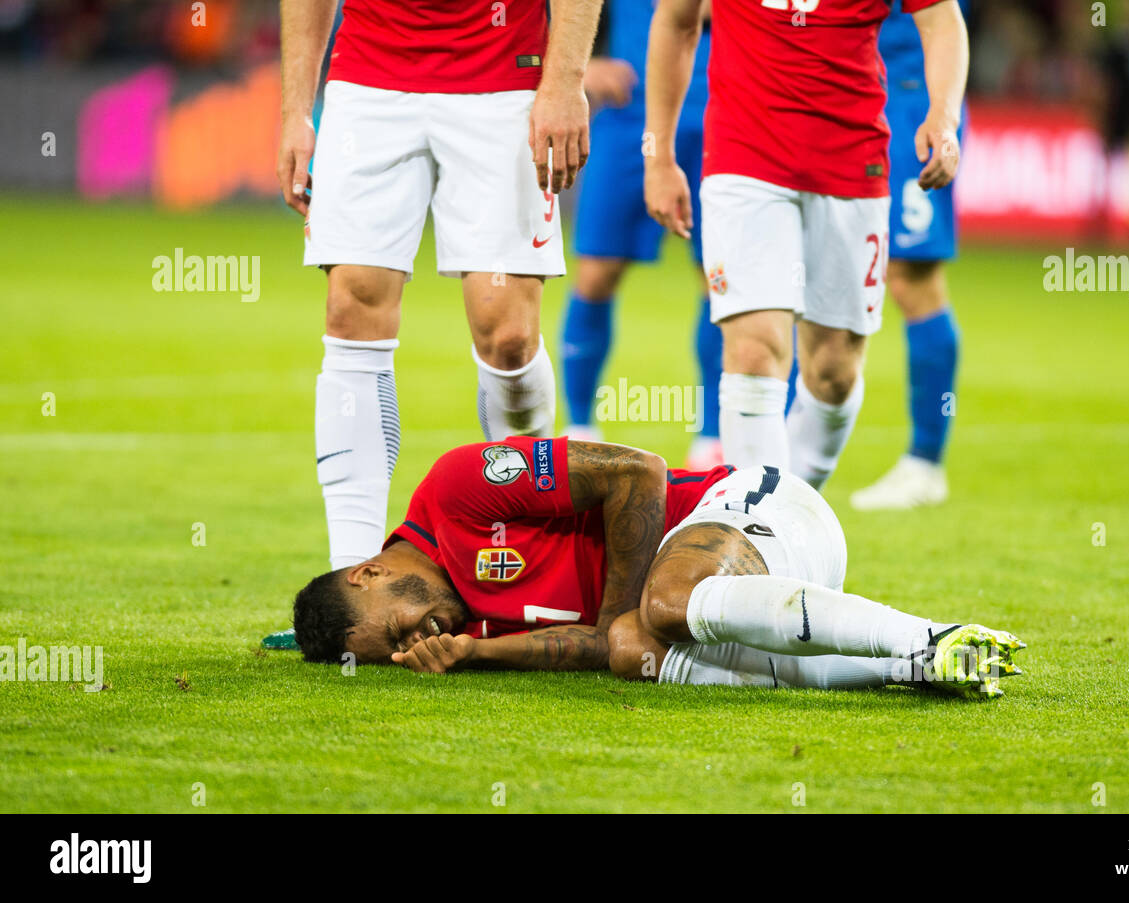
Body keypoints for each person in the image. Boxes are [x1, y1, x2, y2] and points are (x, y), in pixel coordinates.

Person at [292, 437, 1025, 698]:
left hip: (758, 507)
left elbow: (636, 473)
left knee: (663, 607)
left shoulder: (458, 487)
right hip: (772, 593)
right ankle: (915, 670)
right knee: (636, 646)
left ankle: (927, 633)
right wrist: (478, 652)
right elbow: (608, 644)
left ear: (366, 572)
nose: (418, 633)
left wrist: (619, 616)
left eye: (397, 625)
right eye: (399, 650)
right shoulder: (469, 623)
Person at [277, 0, 601, 570]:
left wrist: (565, 80)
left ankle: (517, 557)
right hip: (367, 80)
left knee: (509, 335)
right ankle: (351, 581)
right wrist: (296, 112)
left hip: (505, 76)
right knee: (351, 306)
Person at [644, 0, 969, 491]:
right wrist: (659, 154)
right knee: (754, 350)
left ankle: (794, 506)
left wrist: (944, 117)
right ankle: (760, 537)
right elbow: (675, 18)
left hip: (852, 164)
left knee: (833, 372)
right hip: (741, 158)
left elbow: (942, 17)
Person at [561, 0, 724, 470]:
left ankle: (713, 436)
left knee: (719, 279)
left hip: (722, 116)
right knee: (595, 273)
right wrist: (579, 67)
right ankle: (579, 426)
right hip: (628, 116)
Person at [850, 0, 970, 510]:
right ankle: (781, 461)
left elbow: (943, 20)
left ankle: (925, 462)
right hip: (846, 101)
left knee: (911, 279)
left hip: (908, 99)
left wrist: (939, 115)